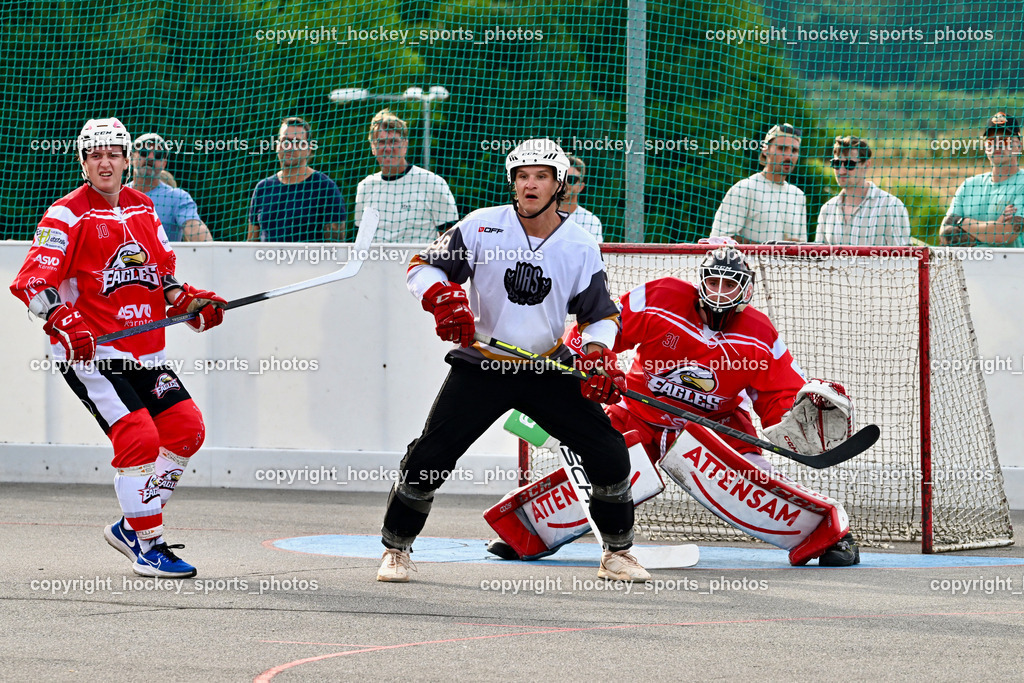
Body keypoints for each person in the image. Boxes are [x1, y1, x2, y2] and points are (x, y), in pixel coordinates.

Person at [485, 239, 862, 567]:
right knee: (601, 463)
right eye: (713, 280)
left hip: (717, 426)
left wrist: (798, 409)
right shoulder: (661, 297)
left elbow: (777, 395)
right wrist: (601, 367)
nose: (719, 290)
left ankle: (832, 535)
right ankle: (526, 525)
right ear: (700, 281)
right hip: (639, 414)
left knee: (760, 482)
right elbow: (599, 330)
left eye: (729, 283)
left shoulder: (759, 333)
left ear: (745, 290)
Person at [377, 138, 648, 583]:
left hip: (546, 365)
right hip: (484, 362)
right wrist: (443, 299)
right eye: (522, 176)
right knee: (431, 455)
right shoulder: (482, 226)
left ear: (559, 184)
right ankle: (396, 549)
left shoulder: (579, 243)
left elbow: (600, 315)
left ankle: (617, 553)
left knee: (609, 452)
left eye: (541, 176)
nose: (529, 184)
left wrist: (598, 354)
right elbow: (422, 267)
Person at [9, 118, 227, 579]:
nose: (104, 162)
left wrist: (189, 302)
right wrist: (62, 318)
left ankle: (131, 526)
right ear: (83, 162)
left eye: (113, 153)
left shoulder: (144, 208)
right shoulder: (65, 215)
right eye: (94, 154)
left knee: (186, 430)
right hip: (92, 355)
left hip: (145, 351)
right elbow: (31, 283)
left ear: (127, 160)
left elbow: (162, 278)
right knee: (140, 438)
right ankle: (150, 543)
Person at [353, 109, 459, 242]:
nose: (388, 148)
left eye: (394, 141)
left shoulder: (432, 183)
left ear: (405, 144)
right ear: (373, 147)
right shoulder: (365, 187)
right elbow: (361, 239)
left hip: (418, 262)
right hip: (375, 262)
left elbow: (451, 240)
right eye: (381, 142)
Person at [247, 116, 347, 242]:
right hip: (266, 261)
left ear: (309, 149)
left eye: (297, 142)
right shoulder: (263, 188)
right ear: (277, 145)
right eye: (285, 141)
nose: (290, 147)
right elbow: (251, 245)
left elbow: (336, 248)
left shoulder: (325, 188)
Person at [710, 123, 807, 243]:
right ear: (765, 150)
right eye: (782, 148)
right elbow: (720, 239)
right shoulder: (745, 189)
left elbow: (803, 245)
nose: (789, 156)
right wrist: (770, 250)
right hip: (749, 262)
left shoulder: (798, 196)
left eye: (794, 150)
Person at [940, 112, 1024, 247]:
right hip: (967, 267)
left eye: (1004, 140)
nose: (997, 145)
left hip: (1013, 266)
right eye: (991, 141)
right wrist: (992, 229)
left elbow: (1004, 235)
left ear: (1019, 146)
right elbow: (945, 234)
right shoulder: (968, 186)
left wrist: (961, 222)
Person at [816, 136, 910, 246]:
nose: (841, 170)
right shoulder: (827, 209)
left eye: (849, 164)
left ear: (866, 165)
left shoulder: (891, 207)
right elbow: (819, 258)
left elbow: (902, 259)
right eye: (836, 164)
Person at [128, 133, 212, 242]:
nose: (151, 157)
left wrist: (212, 253)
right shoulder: (114, 195)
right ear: (130, 157)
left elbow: (195, 230)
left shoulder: (177, 198)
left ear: (164, 164)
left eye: (158, 155)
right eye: (144, 152)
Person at [559, 154, 604, 242]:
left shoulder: (590, 221)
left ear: (581, 187)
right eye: (560, 178)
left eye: (571, 179)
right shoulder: (540, 217)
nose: (565, 183)